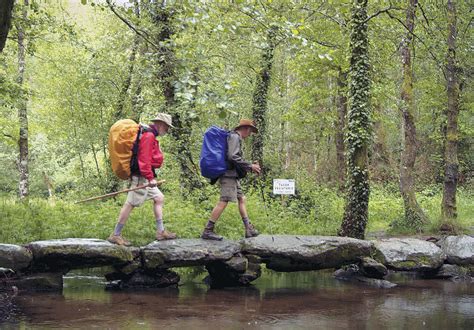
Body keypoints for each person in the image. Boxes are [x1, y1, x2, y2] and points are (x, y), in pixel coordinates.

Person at [107, 113, 177, 246]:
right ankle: (115, 235)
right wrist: (150, 178)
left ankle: (161, 231)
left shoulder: (149, 134)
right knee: (130, 203)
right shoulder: (149, 136)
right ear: (160, 124)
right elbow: (143, 159)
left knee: (159, 198)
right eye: (167, 127)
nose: (167, 130)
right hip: (141, 177)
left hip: (144, 176)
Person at [201, 119, 261, 241]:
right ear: (246, 129)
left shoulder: (234, 137)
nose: (249, 135)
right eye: (250, 131)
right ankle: (207, 230)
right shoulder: (235, 137)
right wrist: (250, 166)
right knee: (224, 200)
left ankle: (248, 228)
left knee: (241, 198)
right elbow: (232, 156)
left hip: (233, 175)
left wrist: (248, 166)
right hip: (228, 175)